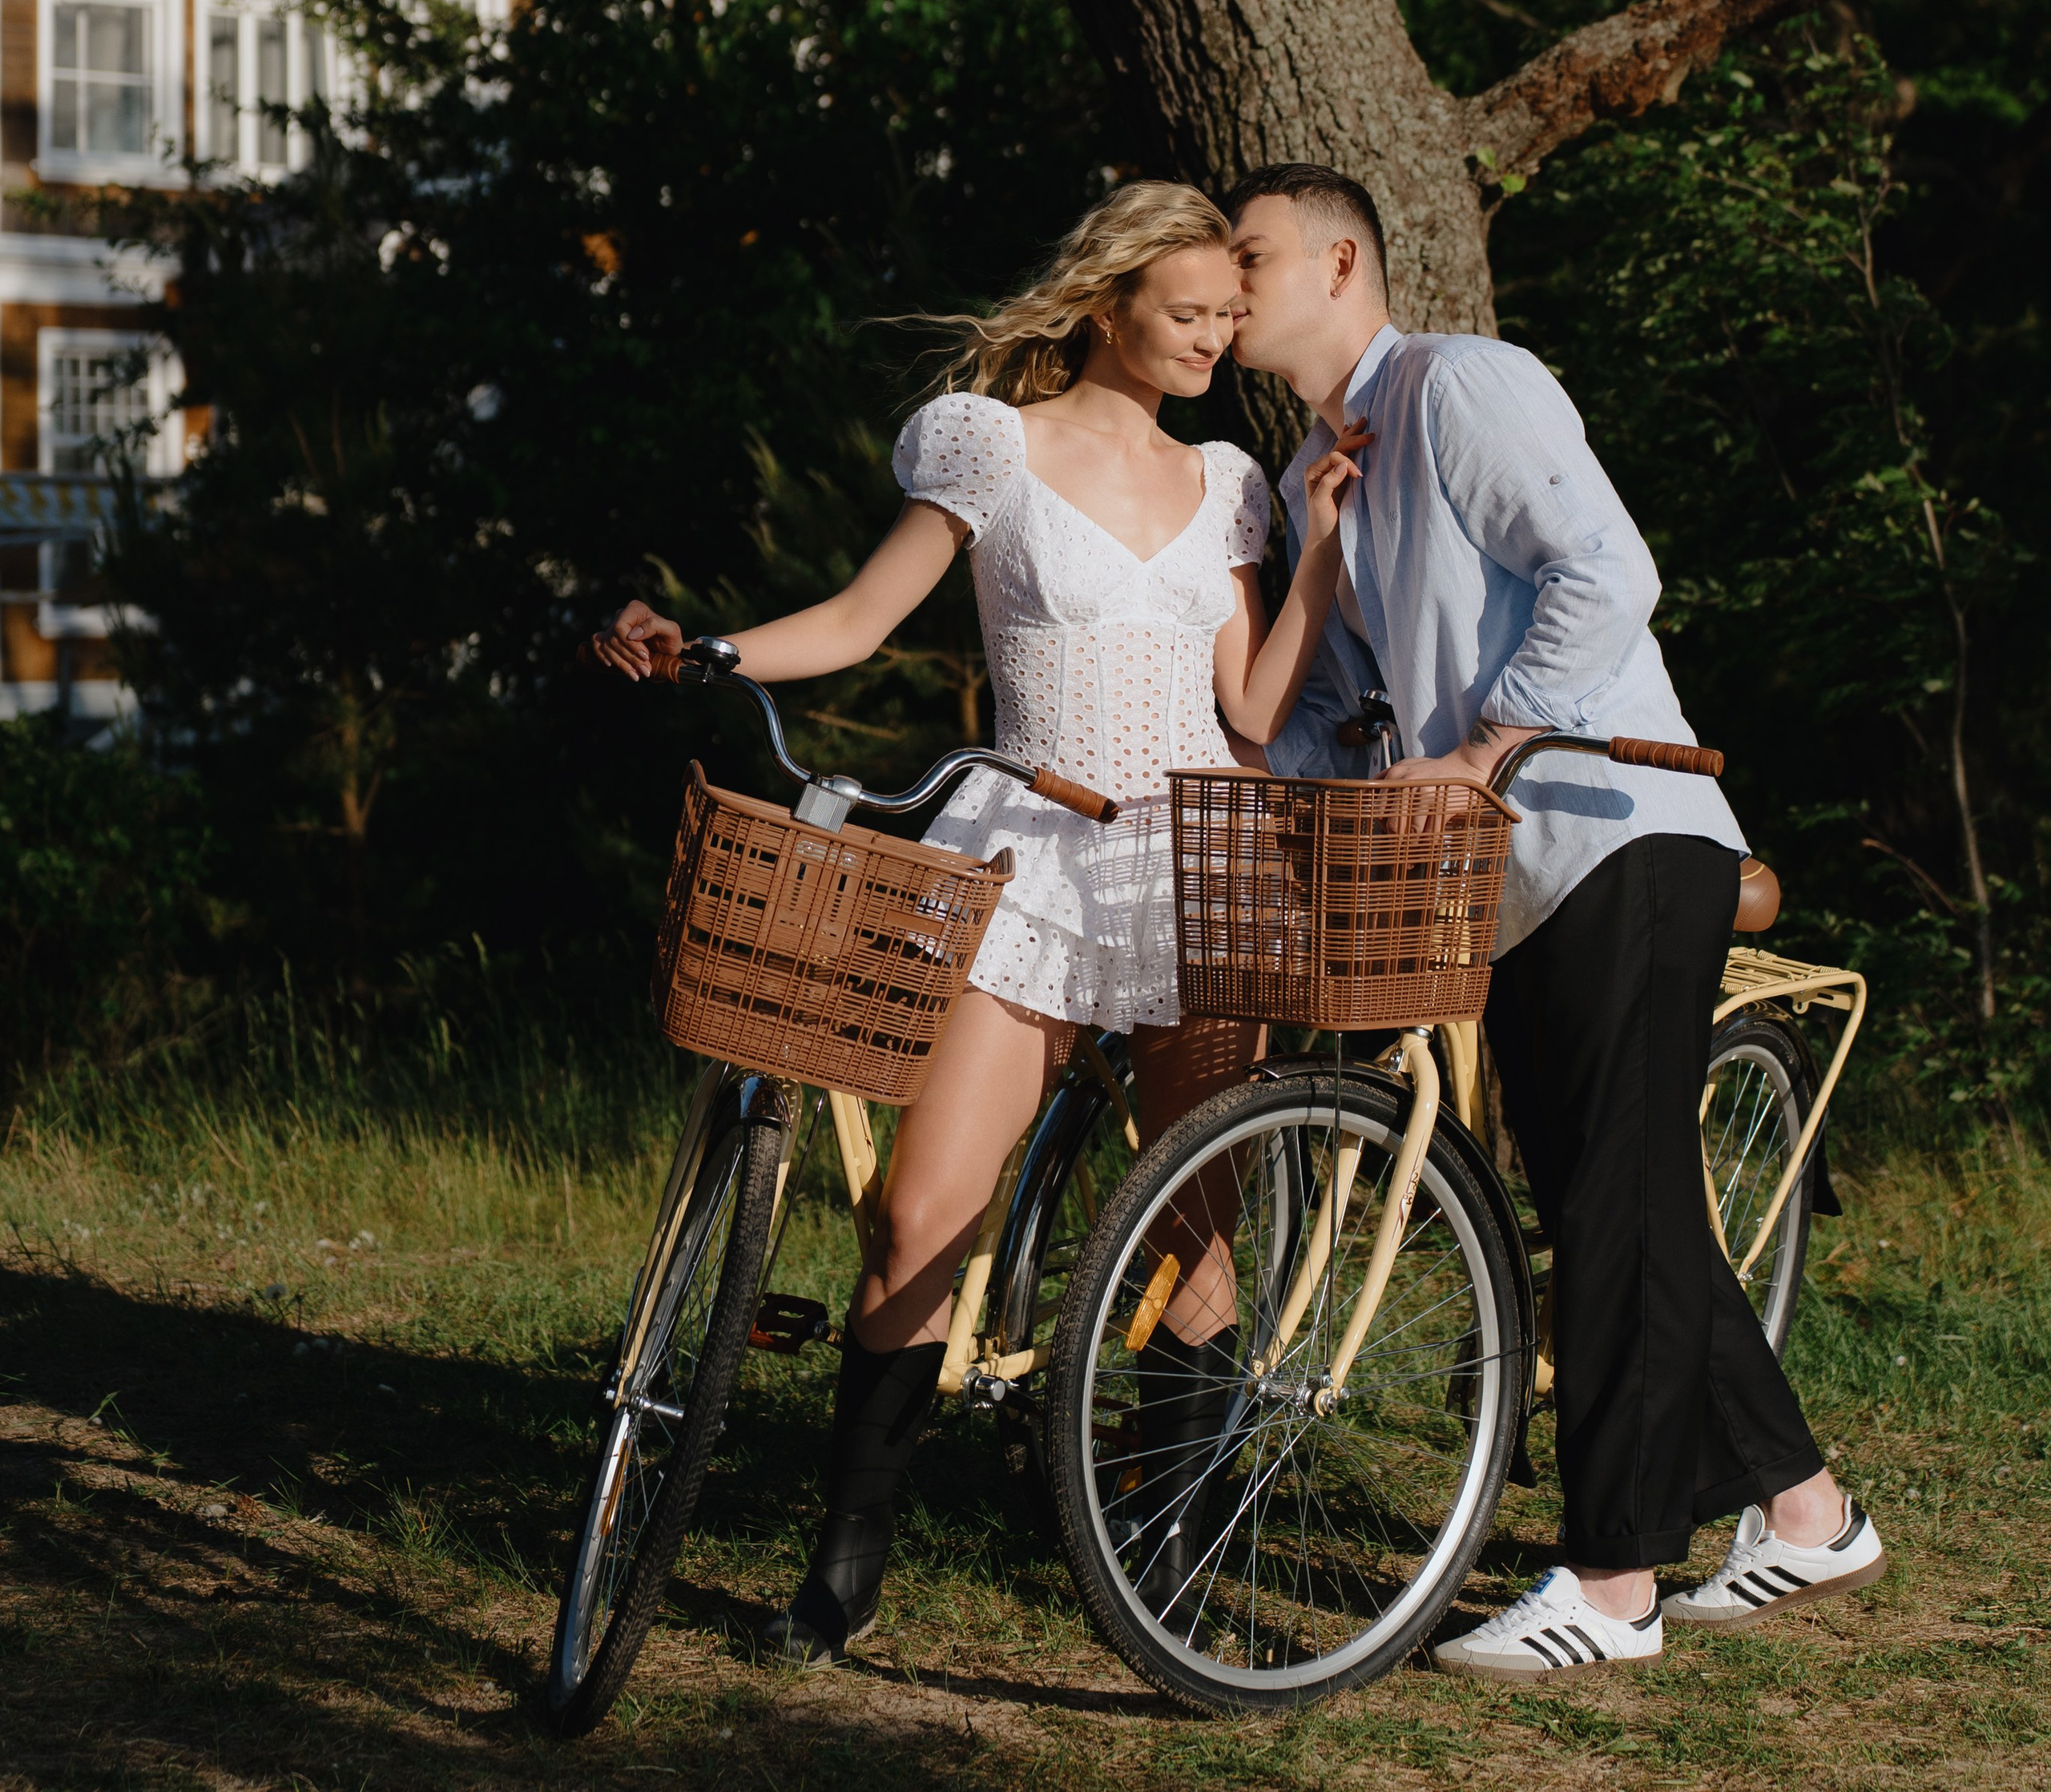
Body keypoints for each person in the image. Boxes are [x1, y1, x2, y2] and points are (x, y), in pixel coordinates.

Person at [597, 181, 1362, 1665]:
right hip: (1028, 855)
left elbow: (1258, 706)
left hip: (1194, 863)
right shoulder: (989, 444)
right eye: (1187, 312)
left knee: (1195, 1230)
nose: (1214, 338)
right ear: (1107, 302)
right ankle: (845, 1569)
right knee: (914, 1222)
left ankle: (1167, 1548)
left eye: (1227, 314)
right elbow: (859, 620)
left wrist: (1321, 545)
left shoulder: (1230, 484)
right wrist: (709, 652)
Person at [1226, 162, 1885, 1683]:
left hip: (1620, 834)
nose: (1227, 283)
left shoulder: (1460, 385)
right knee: (1617, 1201)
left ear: (1340, 264)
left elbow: (1610, 570)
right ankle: (1809, 1513)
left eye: (1249, 255)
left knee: (1609, 1212)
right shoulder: (1316, 470)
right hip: (1508, 885)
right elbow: (1335, 713)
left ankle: (1612, 1584)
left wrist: (1485, 745)